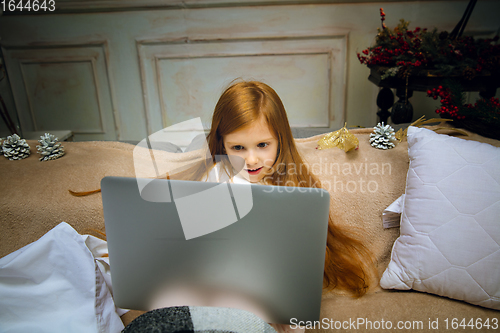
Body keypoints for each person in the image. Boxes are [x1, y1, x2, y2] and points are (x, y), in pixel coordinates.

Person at [171, 80, 375, 298]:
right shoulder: (214, 177)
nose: (251, 159)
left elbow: (302, 255)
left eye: (262, 145)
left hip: (273, 286)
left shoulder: (292, 182)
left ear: (280, 140)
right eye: (238, 147)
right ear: (222, 144)